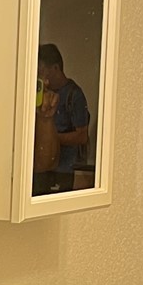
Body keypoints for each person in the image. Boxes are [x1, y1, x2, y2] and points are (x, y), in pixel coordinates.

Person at [33, 43, 91, 196]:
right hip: (41, 168)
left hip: (64, 169)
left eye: (41, 69)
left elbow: (82, 136)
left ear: (56, 68)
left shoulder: (74, 95)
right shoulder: (41, 94)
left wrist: (50, 138)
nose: (39, 75)